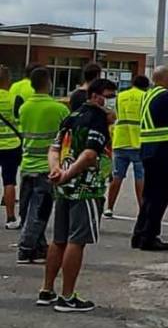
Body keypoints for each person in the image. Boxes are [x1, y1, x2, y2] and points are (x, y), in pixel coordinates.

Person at [38, 78, 117, 312]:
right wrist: (68, 174)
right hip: (86, 188)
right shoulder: (97, 120)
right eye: (109, 96)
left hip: (64, 188)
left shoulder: (71, 117)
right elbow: (90, 155)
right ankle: (67, 296)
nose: (112, 102)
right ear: (95, 96)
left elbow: (53, 148)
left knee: (59, 239)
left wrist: (57, 171)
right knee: (76, 241)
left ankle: (47, 289)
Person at [15, 68, 69, 264]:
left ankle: (39, 246)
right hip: (47, 166)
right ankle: (26, 247)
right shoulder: (59, 109)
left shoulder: (24, 108)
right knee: (40, 210)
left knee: (26, 208)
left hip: (27, 163)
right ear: (49, 83)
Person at [132, 66, 168, 251]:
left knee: (149, 194)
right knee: (161, 195)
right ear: (165, 78)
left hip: (147, 150)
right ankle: (149, 236)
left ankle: (139, 233)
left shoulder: (148, 95)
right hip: (162, 151)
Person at [104, 75, 149, 218]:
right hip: (138, 141)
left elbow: (113, 115)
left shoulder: (120, 96)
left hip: (121, 140)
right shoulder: (145, 96)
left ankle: (109, 208)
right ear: (146, 86)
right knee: (140, 177)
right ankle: (142, 209)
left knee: (117, 176)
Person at [0, 66, 22, 230]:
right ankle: (10, 217)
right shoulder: (15, 98)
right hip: (11, 145)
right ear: (7, 80)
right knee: (9, 181)